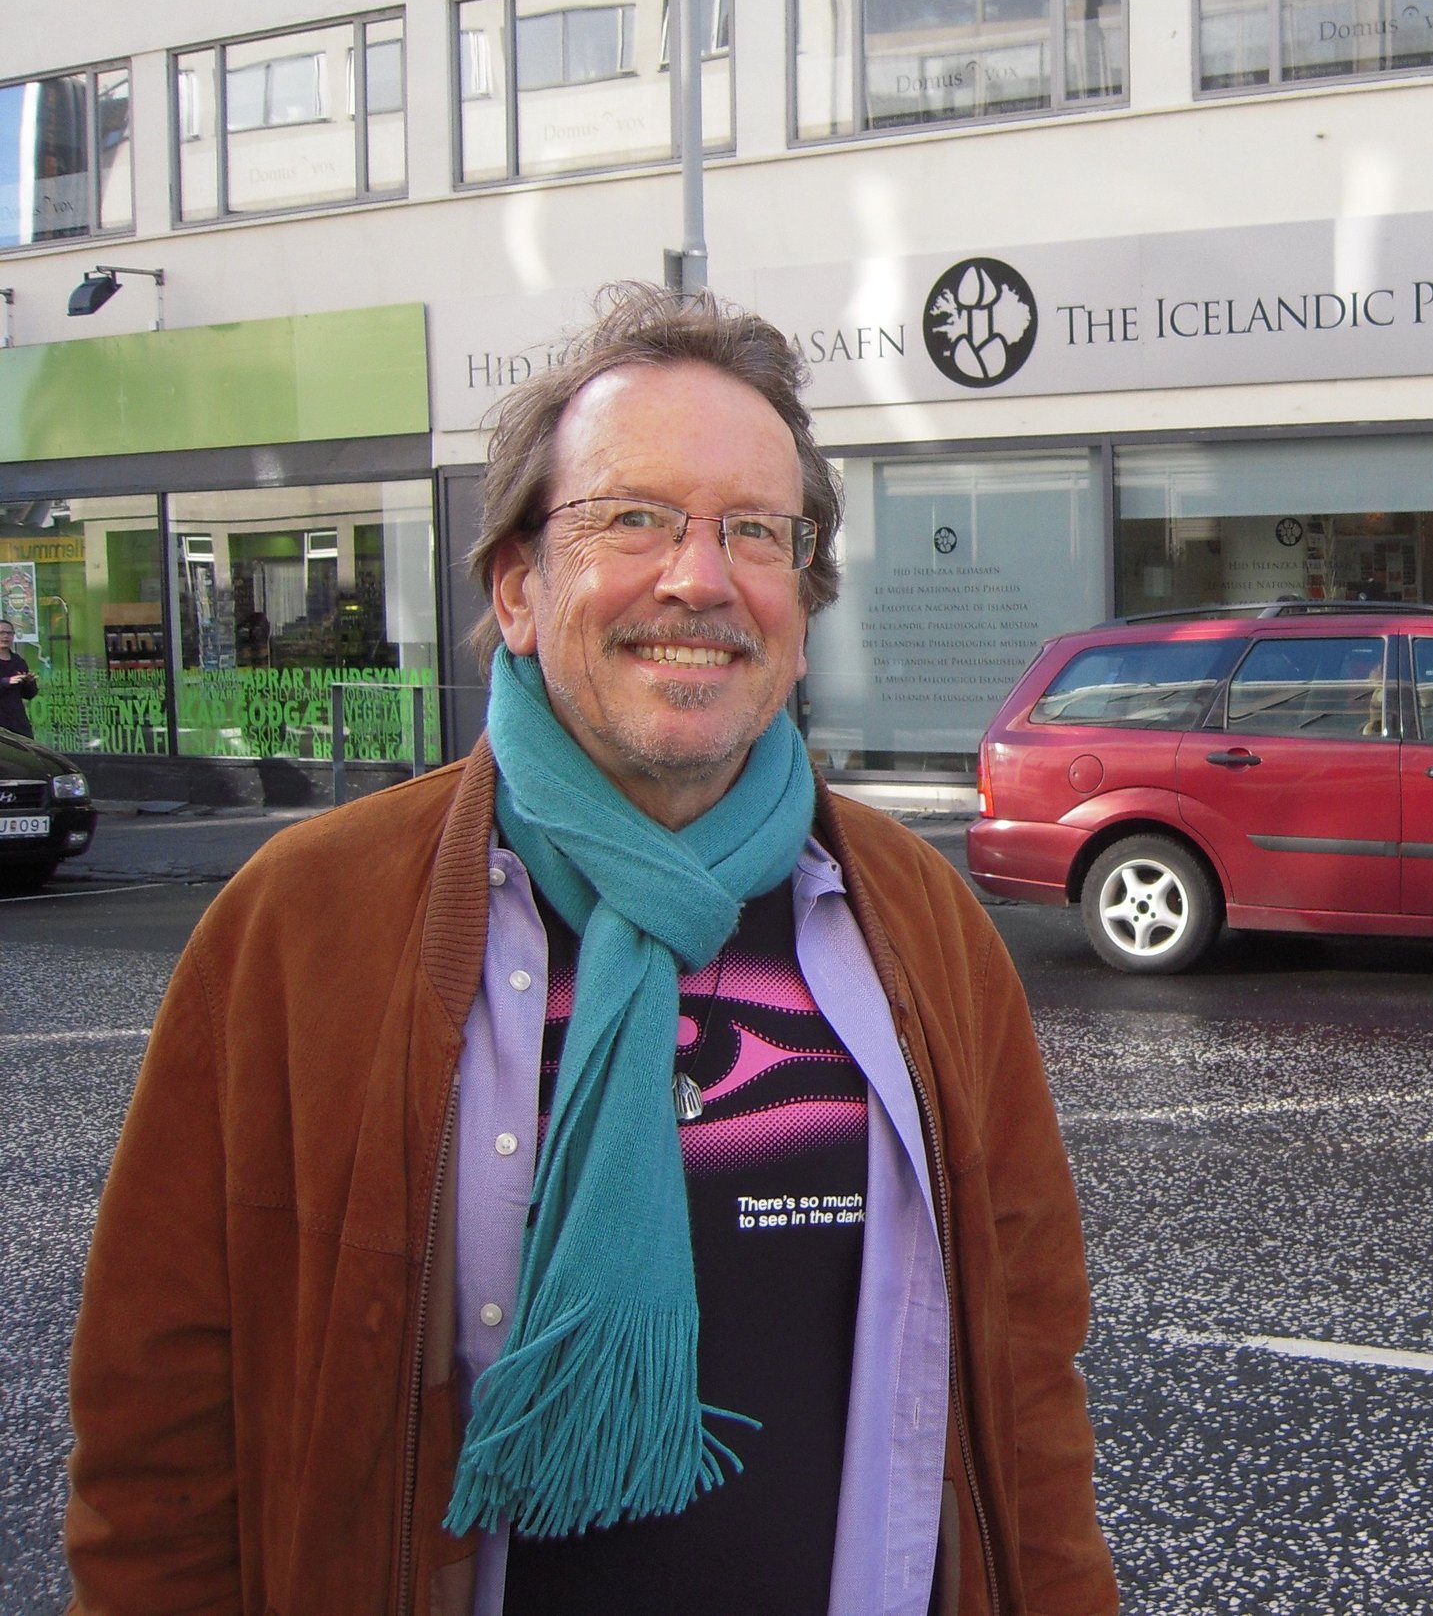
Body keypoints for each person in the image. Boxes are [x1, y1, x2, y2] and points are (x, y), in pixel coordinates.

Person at [63, 286, 1116, 1616]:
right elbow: (163, 1439)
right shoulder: (303, 922)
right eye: (635, 517)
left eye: (756, 531)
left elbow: (1025, 1385)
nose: (700, 576)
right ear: (517, 585)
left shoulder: (917, 920)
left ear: (801, 598)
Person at [0, 618, 35, 739]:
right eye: (1, 633)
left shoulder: (18, 661)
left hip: (17, 721)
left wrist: (29, 683)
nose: (5, 636)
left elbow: (28, 695)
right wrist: (6, 682)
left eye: (9, 633)